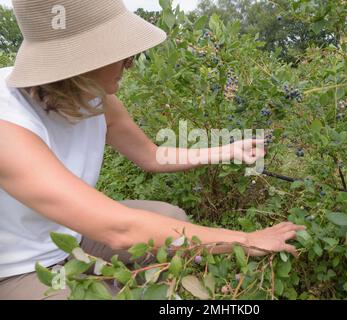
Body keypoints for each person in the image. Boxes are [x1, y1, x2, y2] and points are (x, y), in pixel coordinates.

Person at [0, 0, 305, 300]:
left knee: (169, 217)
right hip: (18, 268)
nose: (131, 60)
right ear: (82, 59)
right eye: (120, 50)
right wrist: (246, 241)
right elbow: (119, 230)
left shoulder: (94, 98)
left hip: (71, 235)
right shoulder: (8, 122)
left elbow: (151, 156)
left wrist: (228, 151)